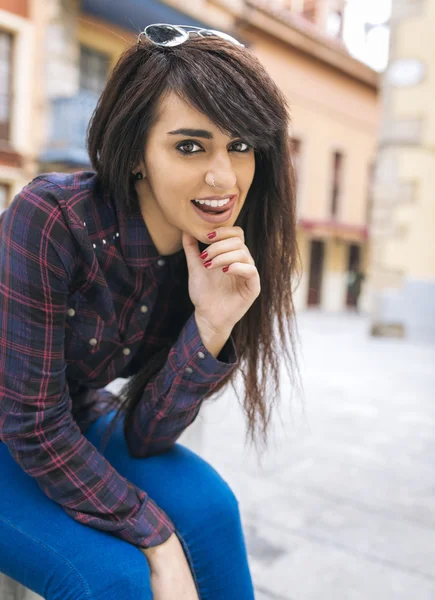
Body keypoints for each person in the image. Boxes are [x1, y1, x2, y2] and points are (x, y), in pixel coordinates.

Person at [0, 24, 299, 600]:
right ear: (138, 152)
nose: (223, 176)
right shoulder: (53, 218)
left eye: (239, 146)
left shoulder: (211, 253)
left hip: (72, 416)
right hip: (23, 423)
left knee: (210, 509)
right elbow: (31, 425)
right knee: (112, 578)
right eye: (190, 145)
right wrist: (154, 538)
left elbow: (145, 436)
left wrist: (212, 326)